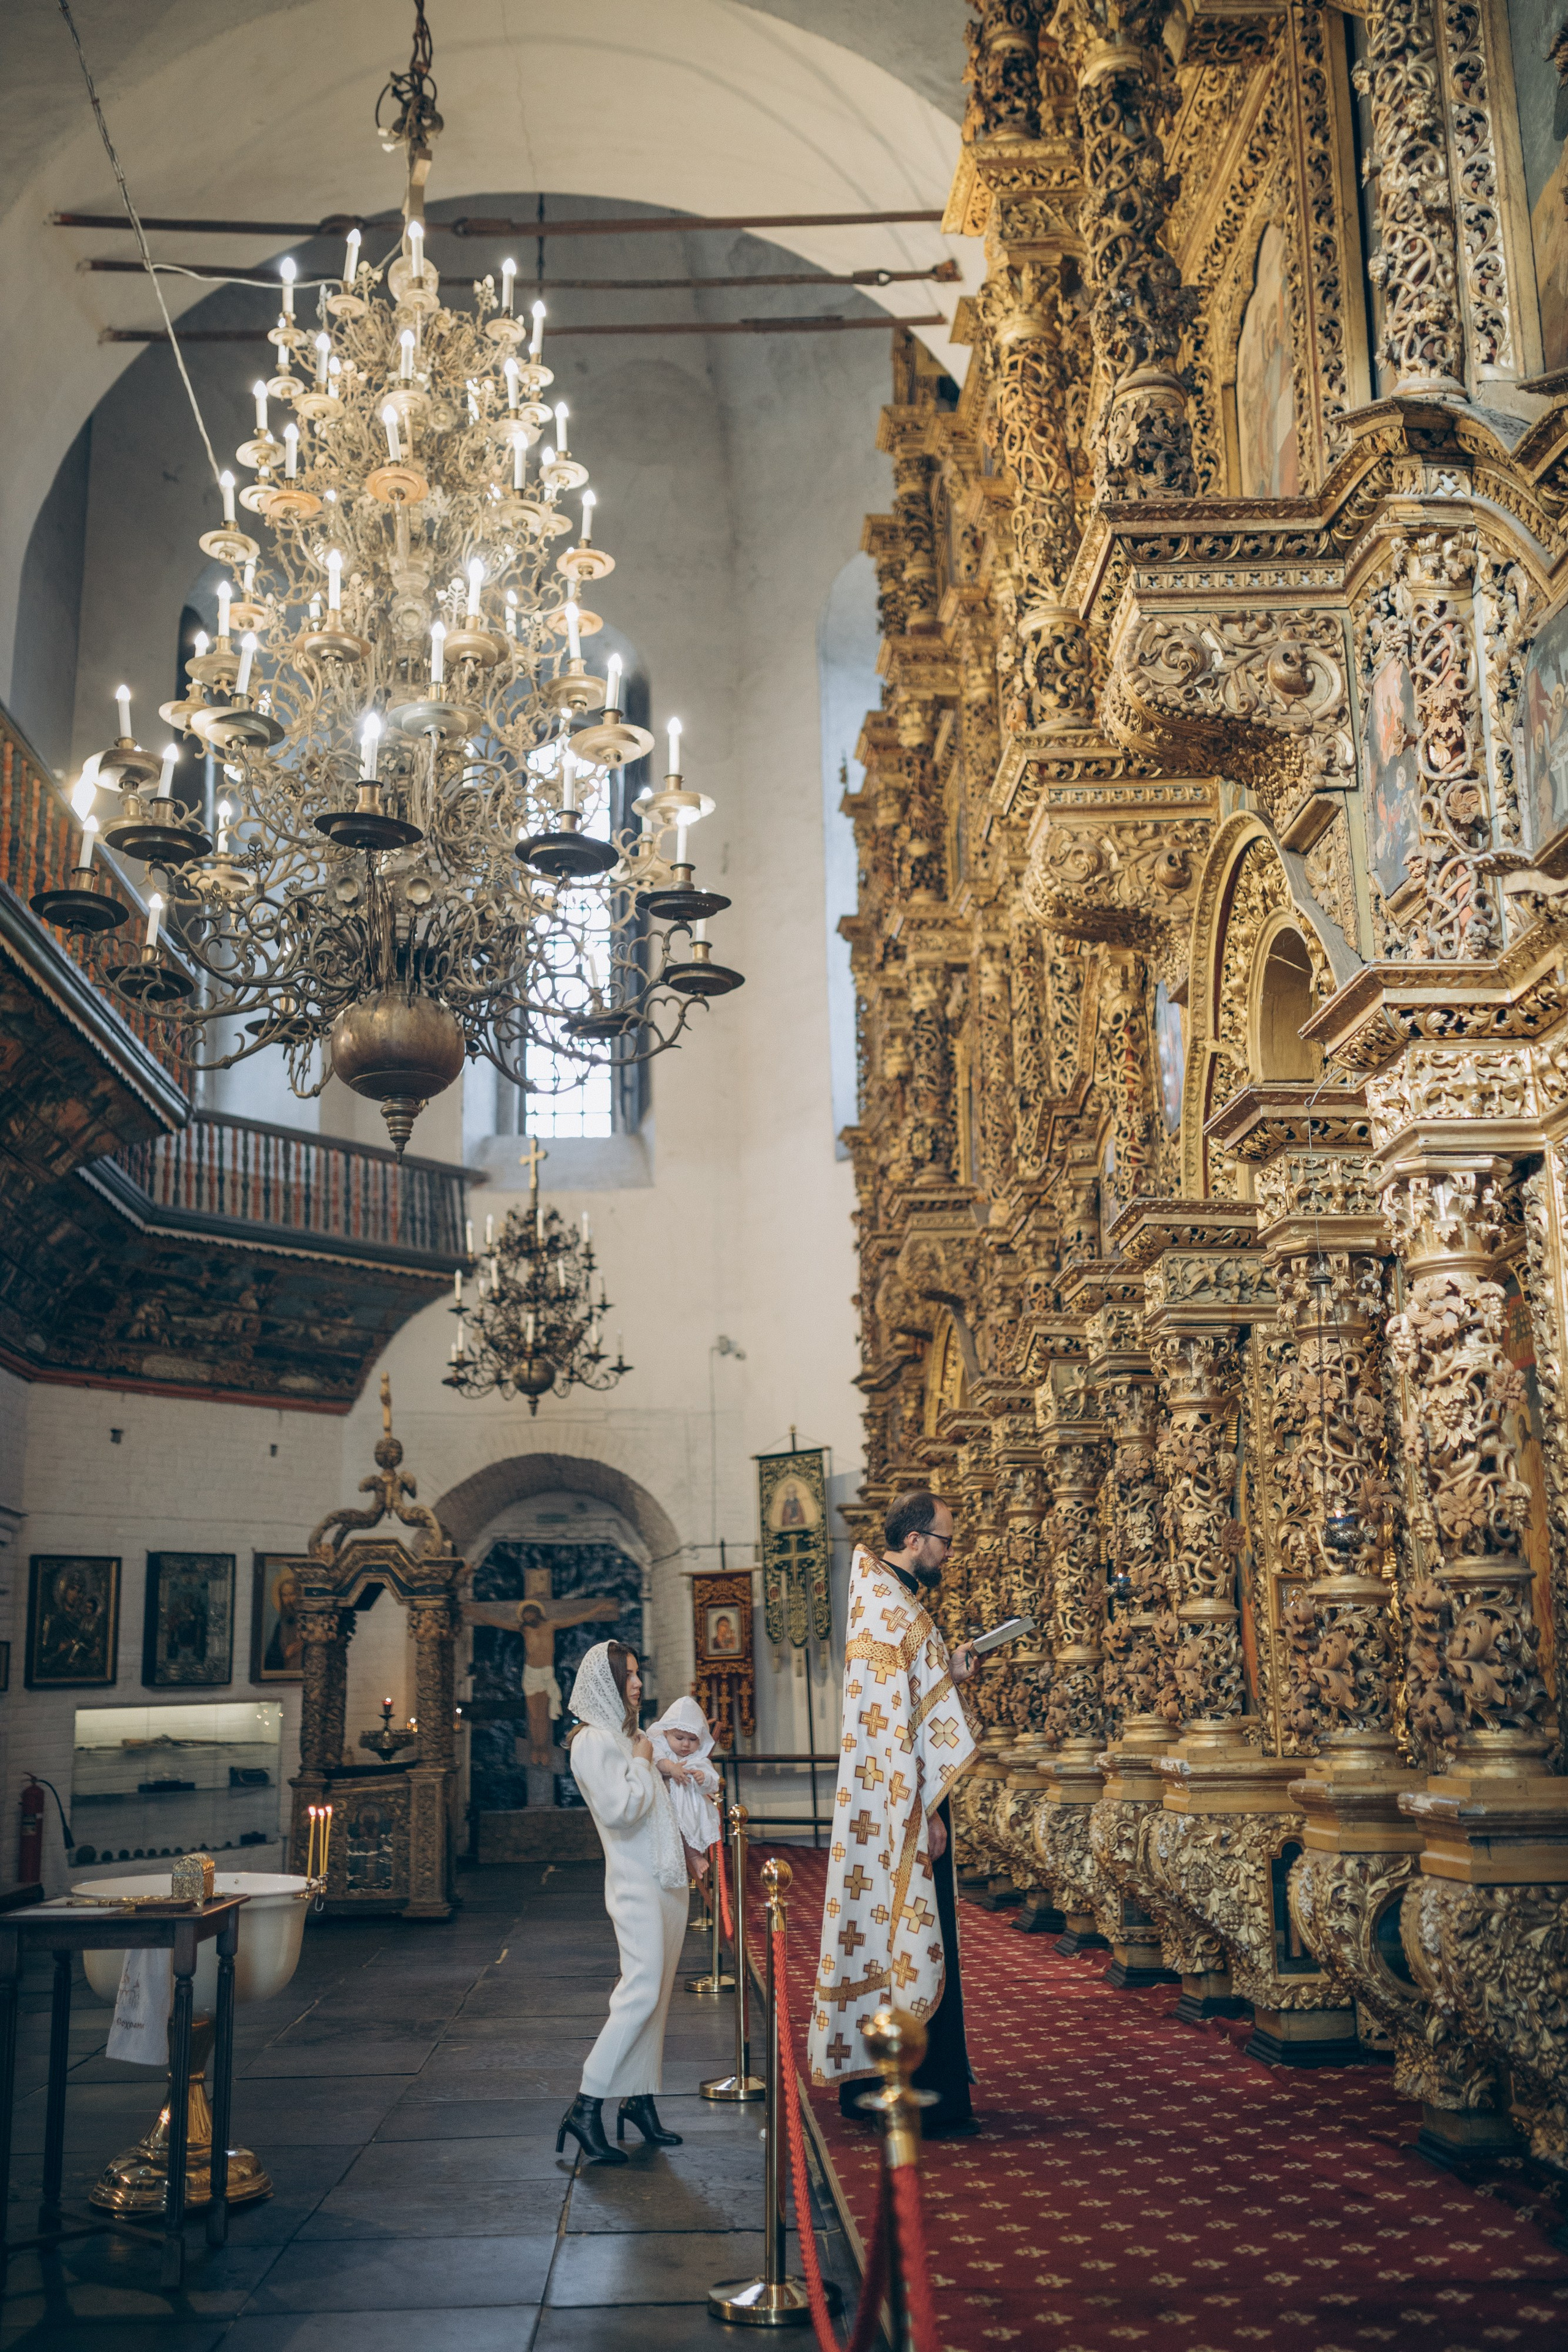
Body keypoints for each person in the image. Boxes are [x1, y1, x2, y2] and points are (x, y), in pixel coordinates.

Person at [807, 1490, 979, 2135]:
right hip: (900, 1805)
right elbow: (891, 1732)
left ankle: (886, 2077)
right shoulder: (886, 1603)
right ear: (914, 1540)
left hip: (898, 1799)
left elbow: (904, 1702)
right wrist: (922, 1810)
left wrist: (950, 1672)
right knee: (907, 1927)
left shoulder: (887, 1598)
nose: (946, 1554)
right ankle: (915, 2089)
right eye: (944, 1541)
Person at [555, 1640, 692, 2165]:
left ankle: (639, 2100)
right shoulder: (592, 1742)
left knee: (655, 1995)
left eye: (638, 1673)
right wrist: (642, 1764)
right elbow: (619, 1810)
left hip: (664, 1880)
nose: (637, 1682)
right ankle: (586, 2105)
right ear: (602, 1684)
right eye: (627, 1675)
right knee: (638, 1993)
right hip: (635, 1884)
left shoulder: (630, 1736)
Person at [648, 1695, 722, 1879]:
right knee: (673, 1824)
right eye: (680, 1738)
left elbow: (714, 1782)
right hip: (665, 1803)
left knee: (688, 1825)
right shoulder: (661, 1748)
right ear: (666, 1733)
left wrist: (703, 1777)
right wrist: (673, 1768)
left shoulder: (698, 1758)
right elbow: (659, 1762)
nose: (686, 1744)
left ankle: (694, 1857)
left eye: (693, 1739)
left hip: (689, 1805)